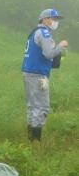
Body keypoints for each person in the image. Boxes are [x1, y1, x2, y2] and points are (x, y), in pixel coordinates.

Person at [21, 8, 69, 141]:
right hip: (38, 75)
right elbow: (49, 53)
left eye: (57, 19)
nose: (55, 22)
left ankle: (31, 138)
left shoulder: (34, 32)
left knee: (32, 106)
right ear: (45, 19)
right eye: (53, 19)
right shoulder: (44, 33)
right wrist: (61, 45)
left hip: (29, 72)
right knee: (41, 107)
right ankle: (36, 142)